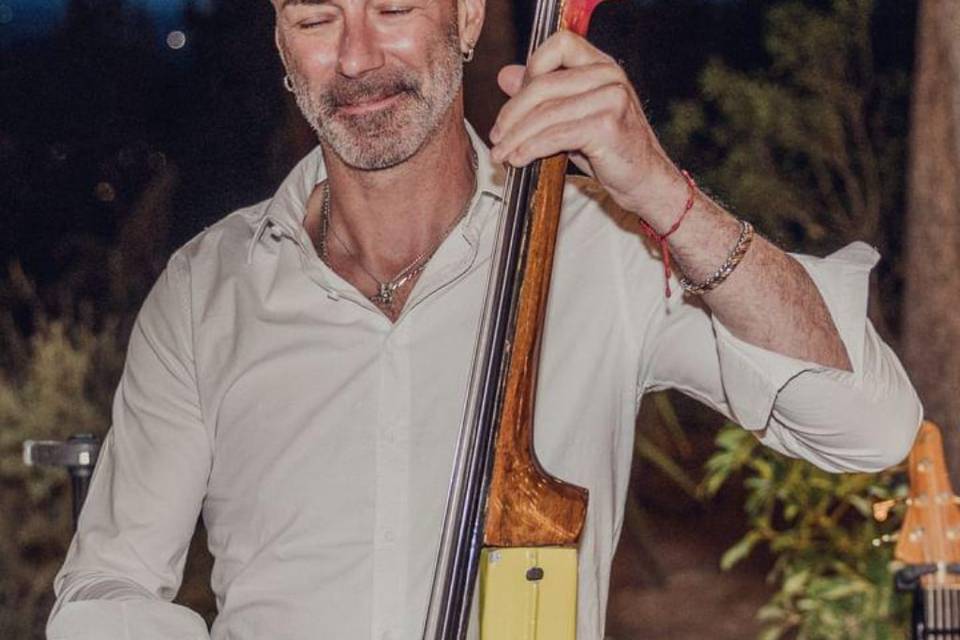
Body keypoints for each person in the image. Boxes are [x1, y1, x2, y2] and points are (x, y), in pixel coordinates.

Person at [46, 0, 922, 638]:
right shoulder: (204, 290)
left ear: (467, 19)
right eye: (316, 19)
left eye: (392, 8)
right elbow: (107, 593)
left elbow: (868, 426)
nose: (354, 60)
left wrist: (658, 190)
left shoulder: (598, 246)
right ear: (280, 39)